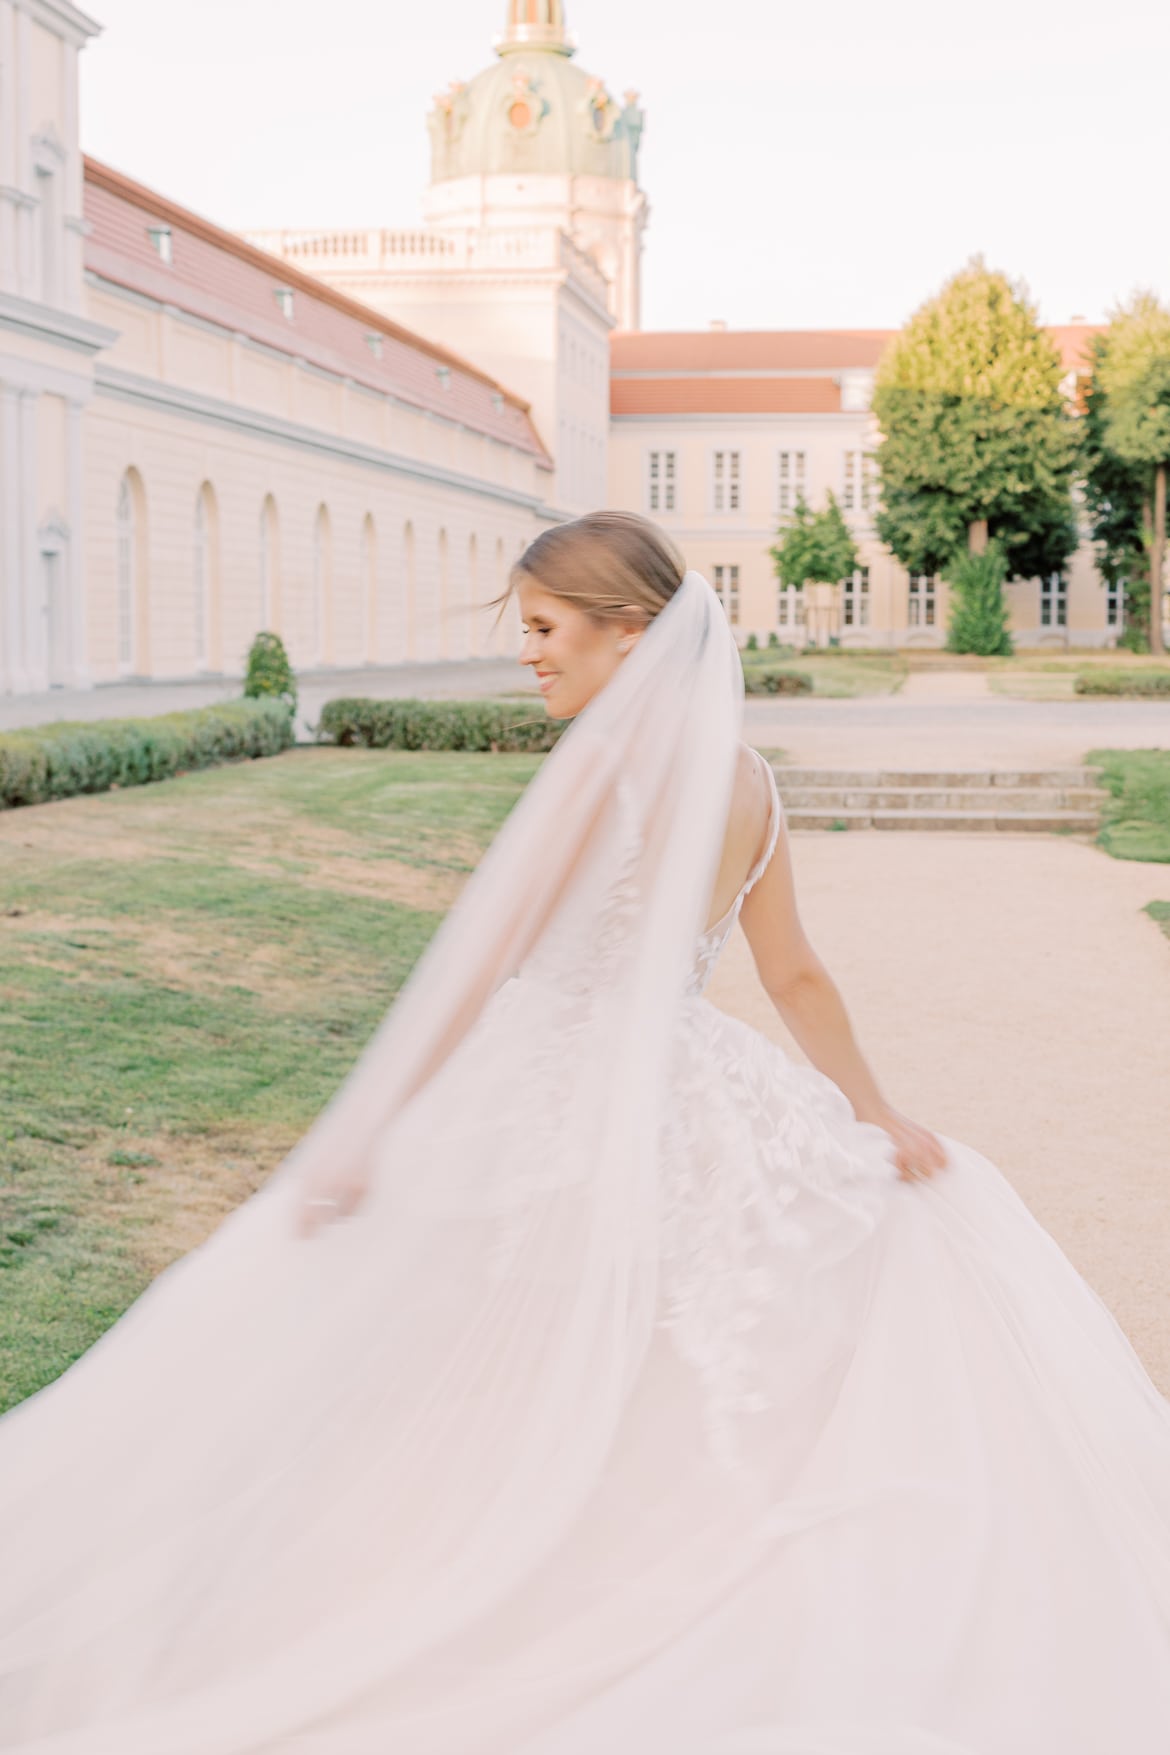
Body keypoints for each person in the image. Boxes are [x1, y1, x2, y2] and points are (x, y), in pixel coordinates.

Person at [1, 513, 1169, 1754]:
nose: (531, 656)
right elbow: (797, 976)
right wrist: (872, 1114)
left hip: (556, 1092)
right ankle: (630, 1572)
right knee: (654, 1359)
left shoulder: (599, 774)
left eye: (548, 630)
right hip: (693, 1088)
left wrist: (367, 1127)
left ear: (630, 635)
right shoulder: (751, 781)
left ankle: (480, 1588)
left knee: (465, 1353)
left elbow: (478, 968)